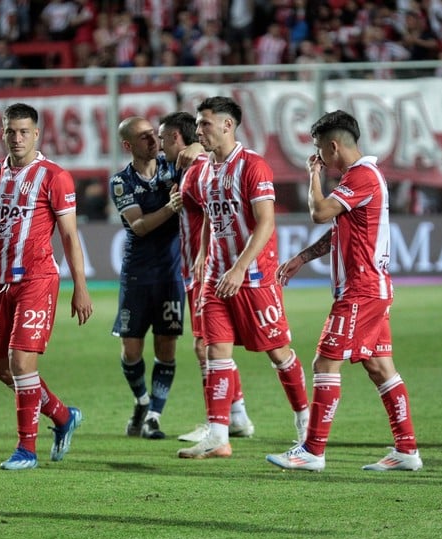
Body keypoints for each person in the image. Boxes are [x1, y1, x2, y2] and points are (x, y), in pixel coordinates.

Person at [266, 110, 423, 472]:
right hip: (371, 288)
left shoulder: (362, 176)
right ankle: (407, 450)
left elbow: (320, 212)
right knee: (380, 366)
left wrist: (312, 175)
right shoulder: (361, 179)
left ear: (333, 146)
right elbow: (339, 229)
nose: (319, 157)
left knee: (324, 362)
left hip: (361, 291)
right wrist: (303, 257)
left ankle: (312, 450)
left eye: (320, 150)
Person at [0, 102, 93, 470]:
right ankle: (62, 417)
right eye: (11, 131)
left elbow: (70, 236)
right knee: (2, 369)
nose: (17, 138)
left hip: (38, 279)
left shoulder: (54, 176)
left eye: (24, 131)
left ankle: (26, 449)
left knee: (20, 362)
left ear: (37, 134)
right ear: (2, 133)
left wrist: (80, 287)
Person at [177, 96, 310, 460]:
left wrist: (239, 267)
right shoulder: (204, 170)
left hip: (252, 278)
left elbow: (266, 222)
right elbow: (208, 216)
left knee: (278, 353)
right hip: (217, 278)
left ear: (227, 125)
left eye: (204, 124)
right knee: (214, 350)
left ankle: (305, 421)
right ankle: (219, 435)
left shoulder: (253, 166)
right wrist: (205, 252)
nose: (198, 130)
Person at [157, 111, 256, 445]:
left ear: (175, 138)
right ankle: (236, 415)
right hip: (194, 267)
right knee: (210, 347)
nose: (158, 145)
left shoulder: (201, 168)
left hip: (205, 268)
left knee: (207, 346)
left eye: (162, 137)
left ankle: (221, 421)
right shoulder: (187, 169)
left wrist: (198, 151)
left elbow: (219, 215)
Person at [110, 116, 186, 440]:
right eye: (144, 138)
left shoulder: (173, 170)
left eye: (155, 135)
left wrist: (192, 147)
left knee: (167, 347)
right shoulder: (121, 182)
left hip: (171, 274)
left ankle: (154, 415)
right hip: (137, 275)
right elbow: (138, 227)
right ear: (128, 146)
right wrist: (171, 207)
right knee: (131, 350)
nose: (154, 142)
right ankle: (141, 401)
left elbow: (197, 150)